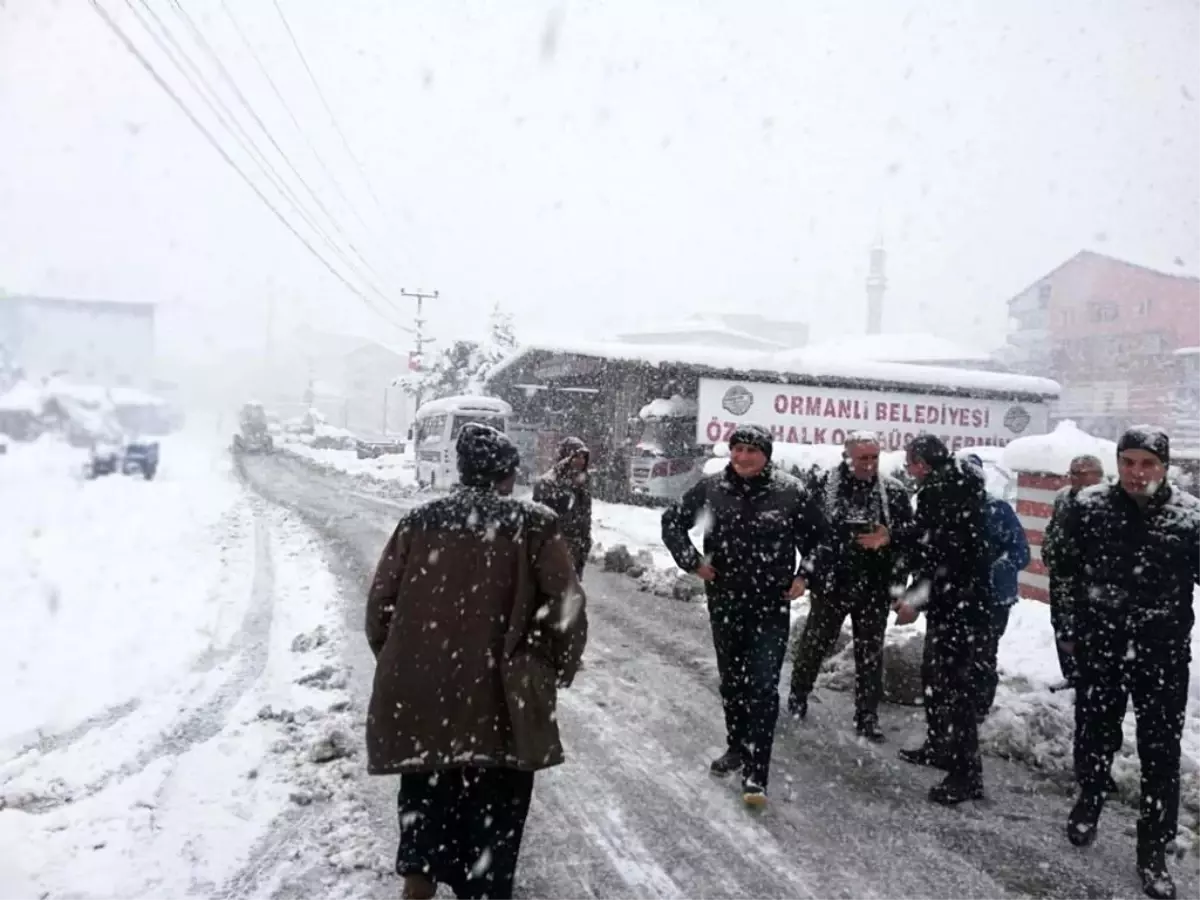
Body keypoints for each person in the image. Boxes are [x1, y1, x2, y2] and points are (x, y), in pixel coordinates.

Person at [365, 423, 588, 900]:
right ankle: (482, 884)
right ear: (506, 475)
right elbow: (566, 603)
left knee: (426, 789)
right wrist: (553, 665)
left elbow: (380, 604)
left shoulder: (419, 522)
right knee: (496, 807)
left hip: (424, 692)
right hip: (500, 697)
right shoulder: (534, 524)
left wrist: (404, 659)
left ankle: (420, 878)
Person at [1057, 427, 1199, 900]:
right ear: (1118, 463)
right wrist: (1070, 631)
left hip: (1163, 653)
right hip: (1103, 647)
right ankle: (1089, 800)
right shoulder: (1089, 506)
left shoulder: (1190, 516)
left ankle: (1154, 851)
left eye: (1148, 464)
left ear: (1164, 466)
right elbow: (1064, 571)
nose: (1137, 474)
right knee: (1096, 731)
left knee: (1160, 752)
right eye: (1129, 463)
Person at [661, 424, 826, 807]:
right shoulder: (713, 488)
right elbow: (672, 521)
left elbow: (821, 540)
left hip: (770, 605)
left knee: (764, 687)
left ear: (766, 455)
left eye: (752, 450)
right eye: (737, 450)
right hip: (726, 601)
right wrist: (692, 561)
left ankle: (757, 770)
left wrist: (805, 577)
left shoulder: (790, 492)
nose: (743, 457)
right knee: (732, 682)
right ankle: (736, 746)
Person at [787, 431, 914, 742]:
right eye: (863, 458)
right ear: (848, 457)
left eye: (874, 458)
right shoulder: (826, 487)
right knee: (815, 643)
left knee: (870, 653)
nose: (869, 465)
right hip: (832, 582)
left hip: (875, 585)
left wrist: (897, 583)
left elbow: (908, 541)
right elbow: (808, 533)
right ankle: (798, 695)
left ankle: (867, 716)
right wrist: (806, 573)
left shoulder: (893, 493)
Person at [893, 434, 991, 805]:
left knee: (955, 689)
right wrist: (898, 535)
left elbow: (940, 554)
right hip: (955, 601)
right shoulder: (951, 486)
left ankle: (967, 774)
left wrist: (915, 599)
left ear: (921, 462)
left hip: (958, 604)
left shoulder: (941, 491)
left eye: (910, 462)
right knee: (935, 678)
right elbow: (930, 538)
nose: (909, 470)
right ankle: (940, 747)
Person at [962, 454, 1031, 723]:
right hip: (961, 596)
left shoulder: (999, 510)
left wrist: (996, 565)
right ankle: (959, 699)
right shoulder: (950, 508)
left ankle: (979, 705)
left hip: (993, 598)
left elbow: (1021, 553)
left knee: (984, 651)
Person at [1040, 453, 1105, 685]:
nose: (1074, 478)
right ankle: (1070, 675)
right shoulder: (1063, 498)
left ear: (1098, 476)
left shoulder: (1106, 503)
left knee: (1087, 631)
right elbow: (1053, 528)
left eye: (1081, 473)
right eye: (1073, 473)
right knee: (1061, 626)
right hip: (1061, 578)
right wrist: (1048, 551)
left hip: (1087, 582)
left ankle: (1087, 680)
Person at [532, 436, 593, 577]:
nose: (581, 461)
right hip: (554, 552)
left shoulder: (583, 484)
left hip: (576, 552)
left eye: (584, 457)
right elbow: (539, 524)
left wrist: (585, 545)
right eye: (576, 457)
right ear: (565, 457)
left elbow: (585, 518)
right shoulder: (547, 484)